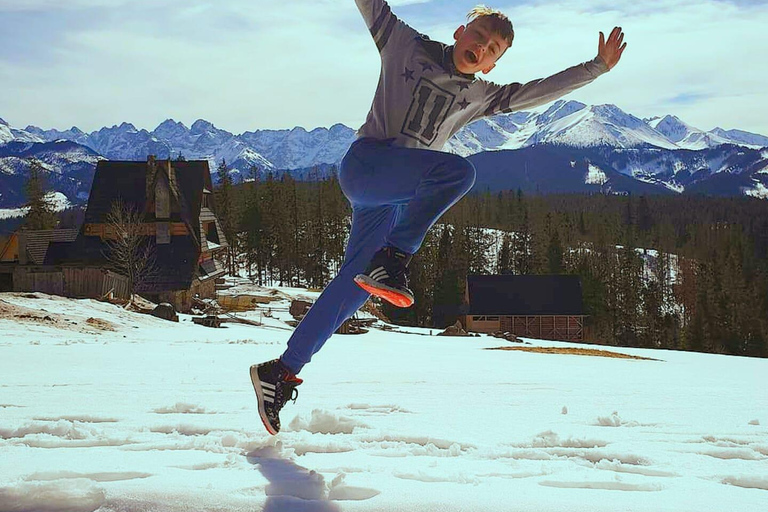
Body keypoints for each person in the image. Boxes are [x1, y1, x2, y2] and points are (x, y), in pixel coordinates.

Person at [251, 1, 627, 434]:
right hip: (368, 166)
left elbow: (537, 92)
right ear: (458, 33)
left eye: (494, 50)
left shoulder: (483, 96)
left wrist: (595, 67)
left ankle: (280, 371)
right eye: (479, 38)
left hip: (391, 197)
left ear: (495, 62)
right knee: (457, 171)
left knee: (355, 288)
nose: (483, 49)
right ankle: (394, 258)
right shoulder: (404, 44)